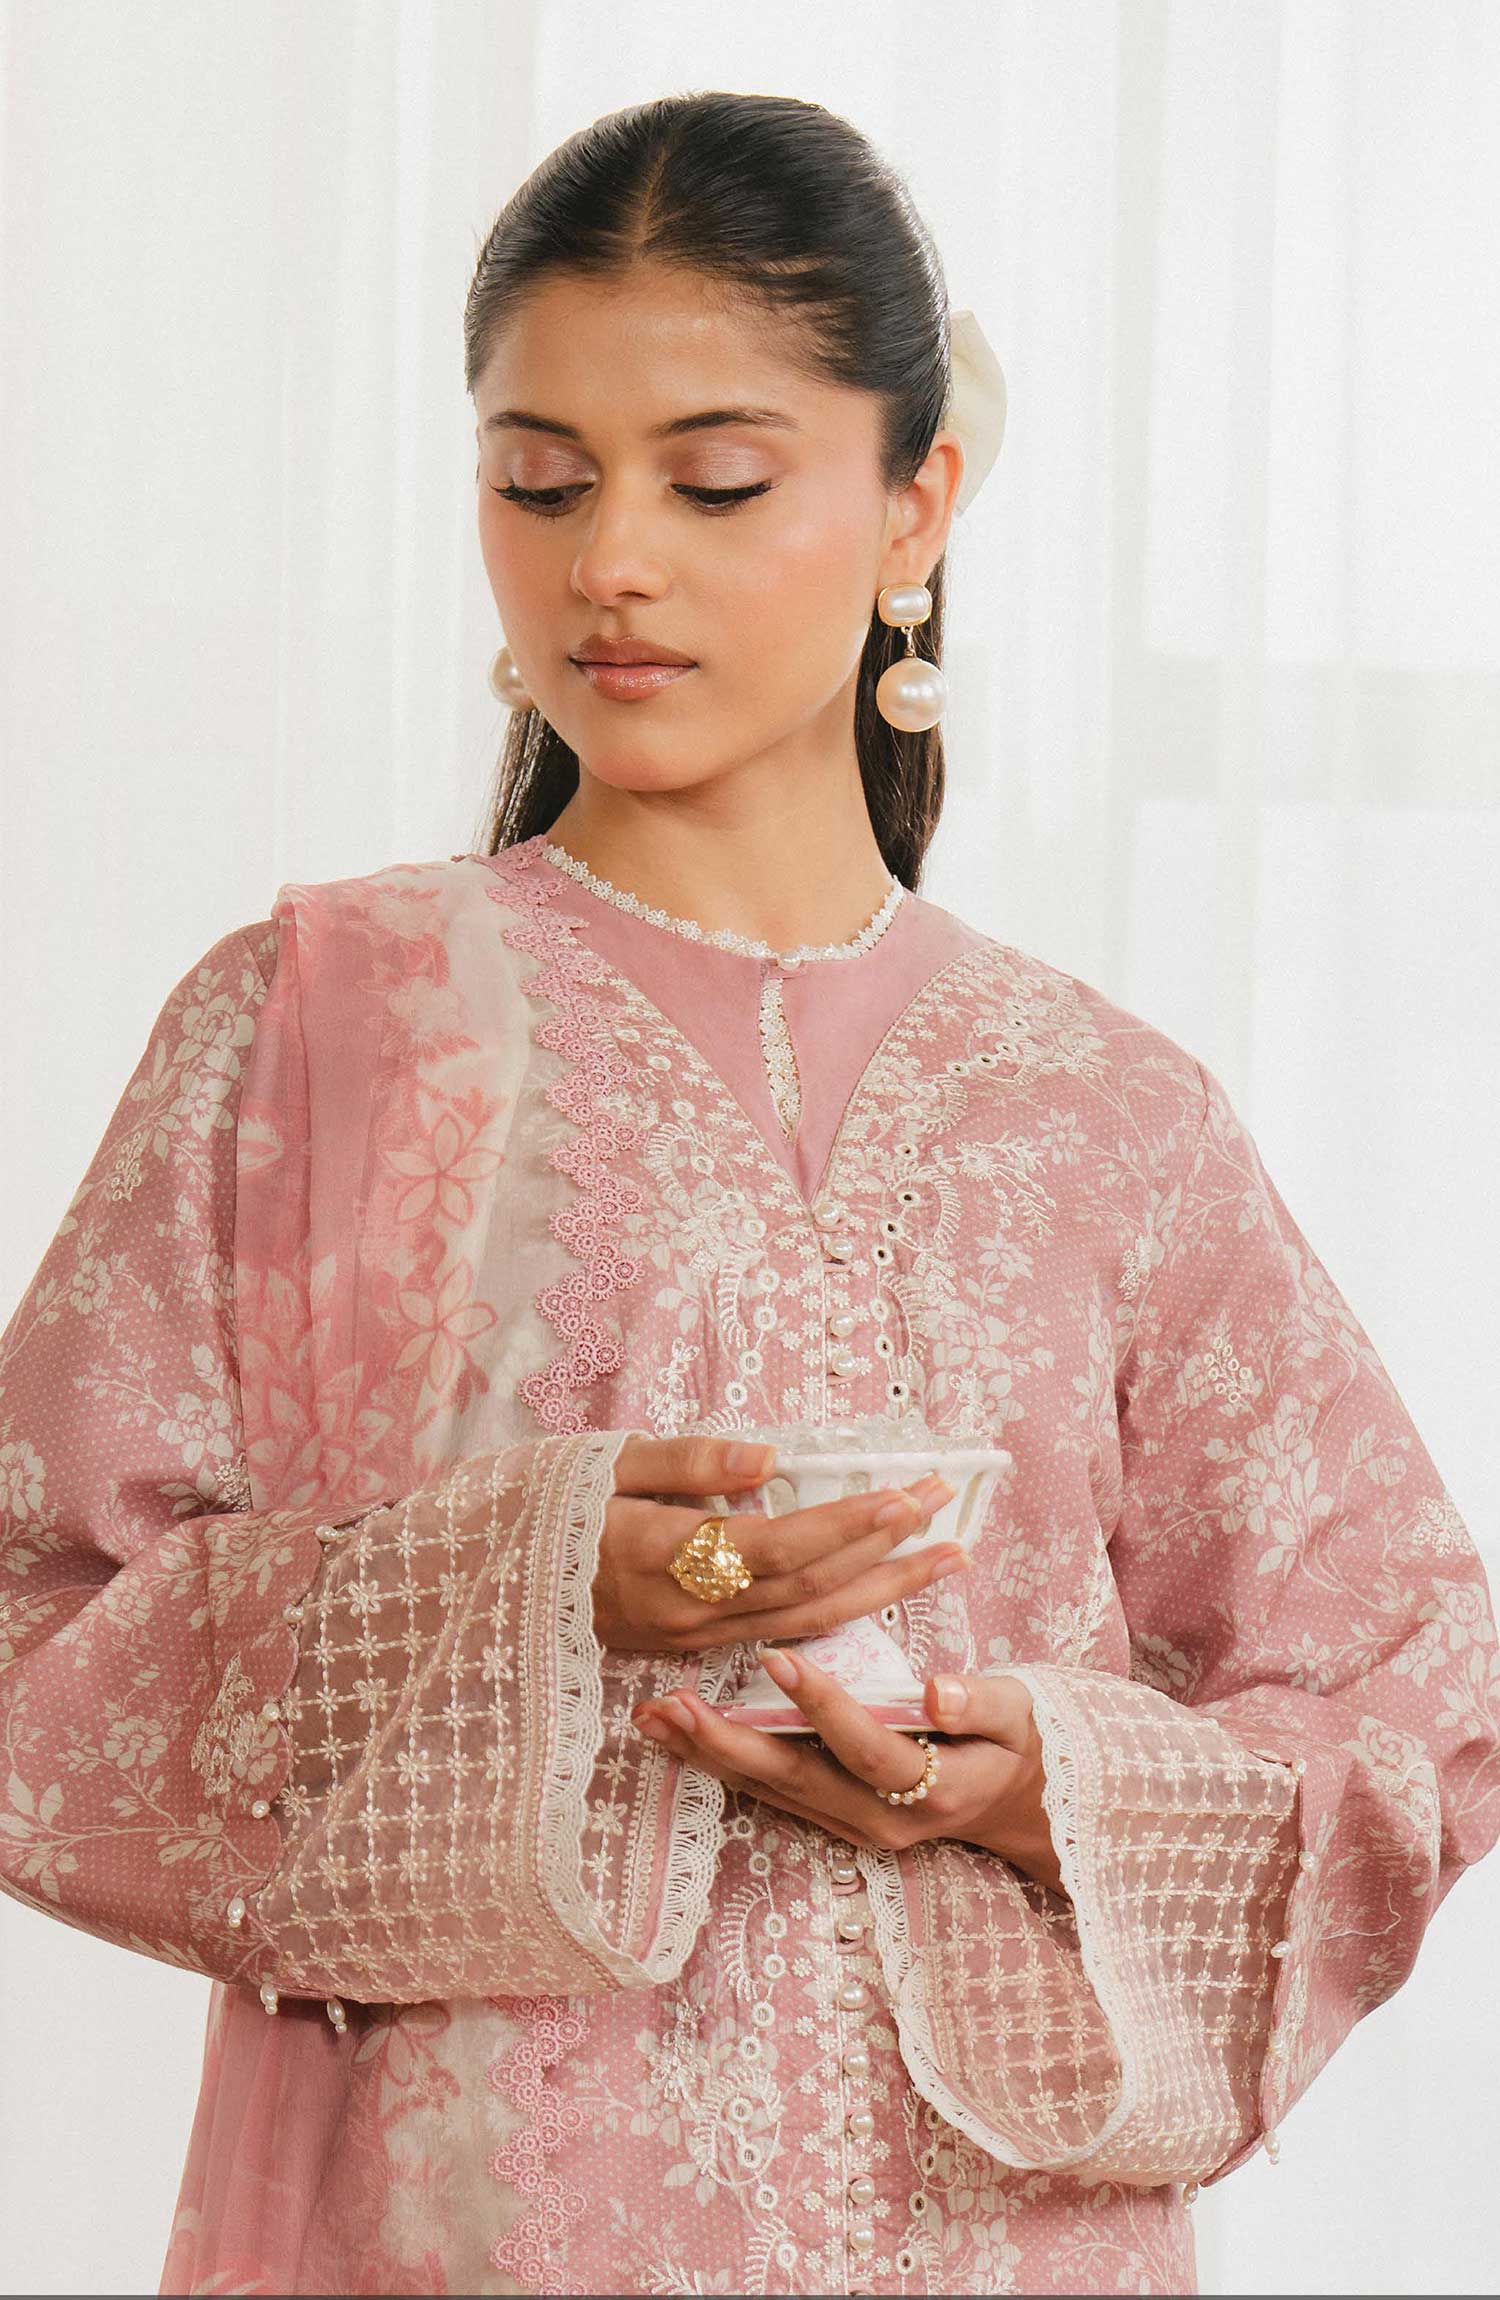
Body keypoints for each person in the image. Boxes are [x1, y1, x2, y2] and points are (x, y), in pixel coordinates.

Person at [2, 89, 1496, 2300]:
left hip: (1004, 2245)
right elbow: (36, 1641)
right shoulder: (319, 1029)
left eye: (714, 483)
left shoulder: (1102, 1112)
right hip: (473, 2242)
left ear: (918, 506)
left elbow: (1413, 1698)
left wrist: (1045, 1782)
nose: (610, 559)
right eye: (540, 480)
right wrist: (537, 1585)